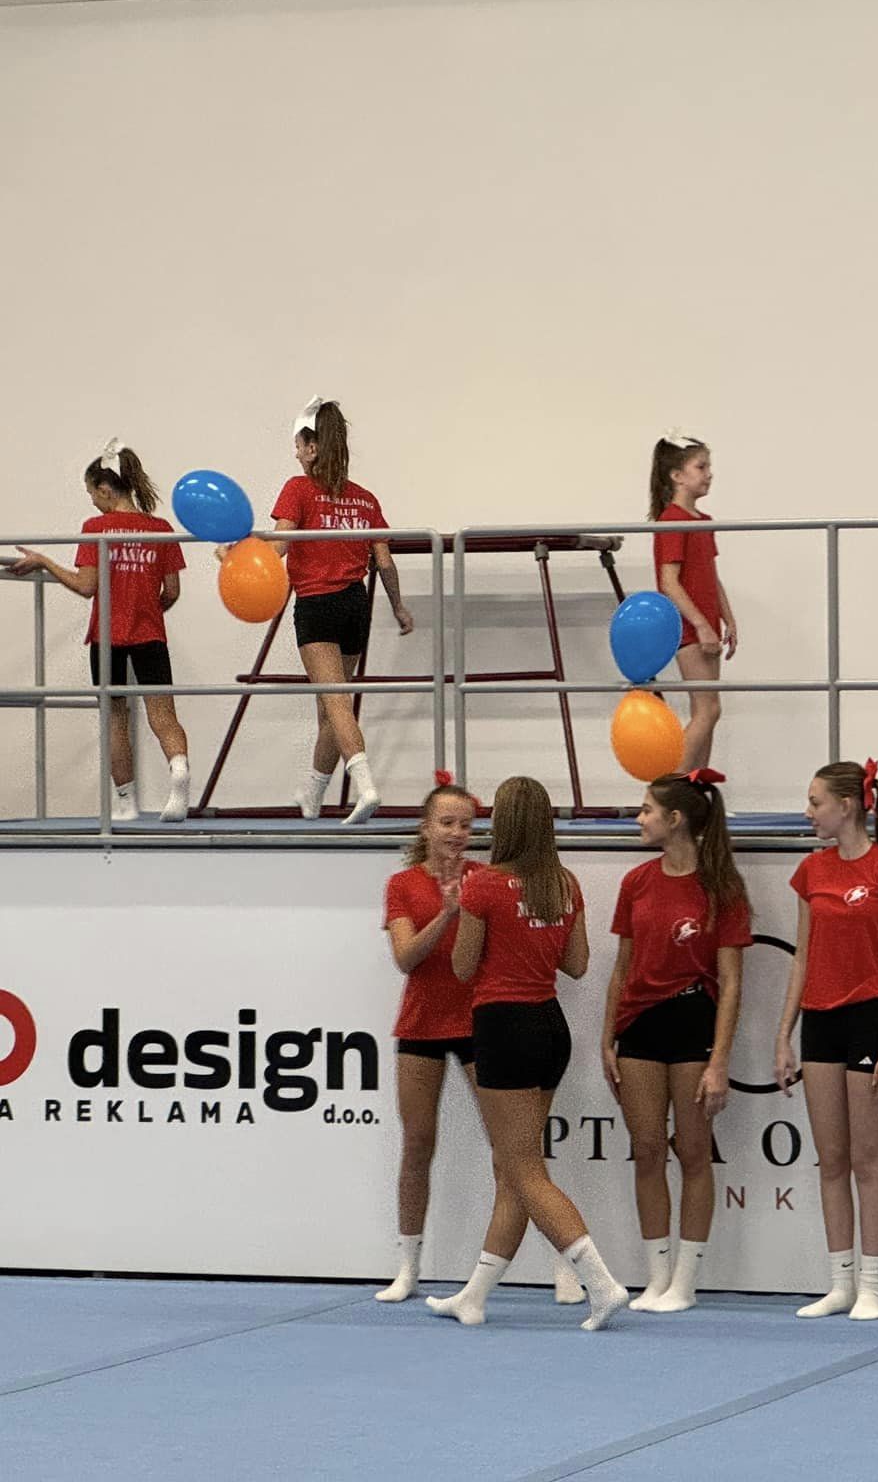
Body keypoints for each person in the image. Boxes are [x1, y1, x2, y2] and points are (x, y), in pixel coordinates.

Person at [427, 776, 628, 1330]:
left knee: (524, 1170)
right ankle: (474, 1296)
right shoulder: (563, 884)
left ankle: (602, 1284)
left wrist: (475, 922)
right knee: (512, 1167)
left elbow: (462, 967)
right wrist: (535, 935)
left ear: (504, 823)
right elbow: (577, 964)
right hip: (549, 1026)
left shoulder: (484, 886)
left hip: (504, 1027)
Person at [602, 769, 751, 1314]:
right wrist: (607, 1036)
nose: (639, 819)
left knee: (692, 1151)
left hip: (693, 1022)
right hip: (640, 1024)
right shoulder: (637, 882)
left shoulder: (721, 888)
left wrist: (720, 1060)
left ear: (675, 818)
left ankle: (685, 1281)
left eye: (646, 810)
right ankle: (657, 1275)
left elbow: (731, 982)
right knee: (646, 1150)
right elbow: (621, 968)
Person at [774, 759, 878, 1321]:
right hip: (820, 1019)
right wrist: (783, 1035)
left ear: (848, 805)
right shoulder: (812, 871)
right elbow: (801, 958)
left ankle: (872, 1283)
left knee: (866, 1158)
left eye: (815, 803)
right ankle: (840, 1282)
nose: (808, 812)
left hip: (868, 1016)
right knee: (830, 1158)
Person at [9, 441, 191, 821]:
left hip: (108, 636)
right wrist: (148, 610)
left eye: (92, 493)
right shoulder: (160, 529)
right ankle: (179, 770)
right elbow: (172, 591)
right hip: (150, 634)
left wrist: (45, 561)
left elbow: (86, 585)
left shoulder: (96, 528)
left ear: (106, 489)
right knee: (164, 716)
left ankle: (126, 804)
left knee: (114, 717)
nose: (92, 501)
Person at [267, 398, 413, 823]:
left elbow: (277, 547)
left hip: (317, 605)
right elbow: (384, 562)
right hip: (355, 606)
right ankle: (312, 795)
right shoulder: (365, 500)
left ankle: (365, 785)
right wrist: (399, 607)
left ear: (313, 448)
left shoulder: (298, 489)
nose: (296, 454)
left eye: (299, 446)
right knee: (329, 709)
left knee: (335, 702)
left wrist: (236, 555)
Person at [376, 774, 485, 1302]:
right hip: (421, 1024)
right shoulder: (403, 885)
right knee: (418, 1144)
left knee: (512, 1149)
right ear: (425, 827)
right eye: (447, 822)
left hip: (479, 1023)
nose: (457, 833)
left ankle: (557, 1260)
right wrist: (447, 913)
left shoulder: (485, 880)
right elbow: (406, 958)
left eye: (466, 824)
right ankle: (408, 1266)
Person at [649, 431, 736, 773]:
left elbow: (711, 576)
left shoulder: (703, 522)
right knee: (707, 710)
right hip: (689, 627)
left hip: (706, 625)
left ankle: (695, 787)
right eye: (701, 467)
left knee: (708, 710)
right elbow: (668, 582)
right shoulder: (672, 521)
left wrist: (728, 618)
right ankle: (670, 788)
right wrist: (700, 624)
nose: (709, 473)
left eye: (708, 466)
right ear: (677, 476)